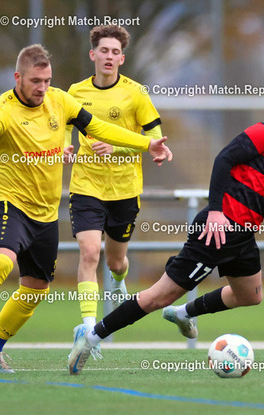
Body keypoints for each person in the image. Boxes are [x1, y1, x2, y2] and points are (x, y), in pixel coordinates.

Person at [69, 76, 264, 375]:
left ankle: (182, 313)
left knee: (251, 295)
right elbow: (224, 158)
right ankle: (91, 337)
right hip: (217, 230)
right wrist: (215, 211)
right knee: (159, 295)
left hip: (243, 237)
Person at [0, 44, 171, 373]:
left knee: (36, 288)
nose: (42, 87)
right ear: (18, 78)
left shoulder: (60, 100)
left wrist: (147, 143)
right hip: (10, 202)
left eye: (47, 80)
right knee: (2, 261)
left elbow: (99, 127)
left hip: (46, 212)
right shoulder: (3, 108)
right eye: (35, 81)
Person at [65, 25, 163, 359]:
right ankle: (87, 327)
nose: (109, 56)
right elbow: (62, 126)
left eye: (115, 52)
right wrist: (64, 147)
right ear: (93, 54)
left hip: (124, 189)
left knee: (116, 260)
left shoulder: (136, 93)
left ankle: (119, 281)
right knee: (90, 252)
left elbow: (154, 138)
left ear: (122, 58)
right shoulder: (75, 92)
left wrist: (118, 148)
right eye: (103, 51)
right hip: (86, 185)